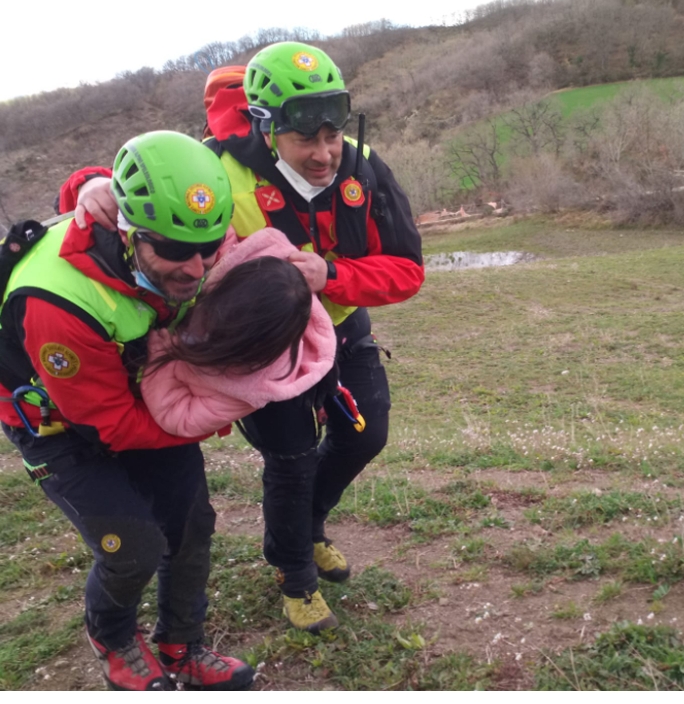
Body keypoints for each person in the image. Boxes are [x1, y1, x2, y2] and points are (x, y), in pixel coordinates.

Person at [69, 41, 425, 633]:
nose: (324, 154)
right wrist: (87, 186)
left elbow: (408, 269)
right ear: (265, 126)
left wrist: (333, 275)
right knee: (291, 459)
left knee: (367, 434)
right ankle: (293, 571)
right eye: (305, 140)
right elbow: (143, 186)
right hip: (261, 346)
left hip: (338, 325)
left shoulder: (362, 165)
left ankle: (306, 529)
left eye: (333, 135)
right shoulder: (219, 169)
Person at [0, 131, 255, 691]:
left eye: (208, 247)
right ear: (127, 231)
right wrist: (205, 418)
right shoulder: (56, 300)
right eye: (172, 250)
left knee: (191, 525)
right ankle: (113, 636)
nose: (195, 268)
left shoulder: (192, 235)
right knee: (132, 545)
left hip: (141, 393)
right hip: (59, 423)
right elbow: (107, 425)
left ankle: (181, 644)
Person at [140, 228, 336, 438]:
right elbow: (215, 232)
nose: (208, 324)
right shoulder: (237, 260)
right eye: (214, 312)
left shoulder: (251, 386)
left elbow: (180, 418)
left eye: (221, 332)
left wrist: (159, 357)